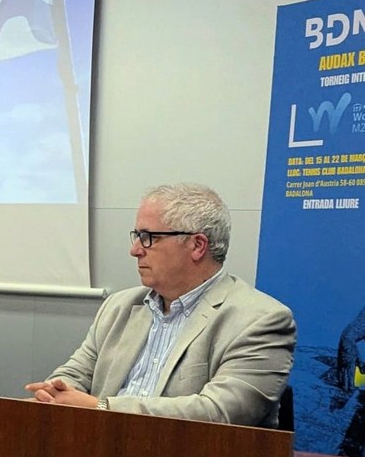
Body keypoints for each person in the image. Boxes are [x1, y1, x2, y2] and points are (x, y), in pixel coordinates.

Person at [25, 183, 296, 427]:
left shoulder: (260, 320)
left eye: (149, 237)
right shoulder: (119, 306)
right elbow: (76, 373)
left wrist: (102, 408)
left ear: (197, 245)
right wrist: (53, 394)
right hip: (101, 451)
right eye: (137, 236)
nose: (135, 250)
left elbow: (221, 413)